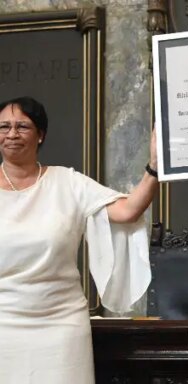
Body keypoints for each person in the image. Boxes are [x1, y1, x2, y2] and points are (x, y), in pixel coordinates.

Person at [0, 96, 158, 383]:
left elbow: (128, 210)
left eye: (22, 126)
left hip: (61, 327)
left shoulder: (67, 183)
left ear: (40, 135)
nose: (11, 134)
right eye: (4, 126)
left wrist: (154, 168)